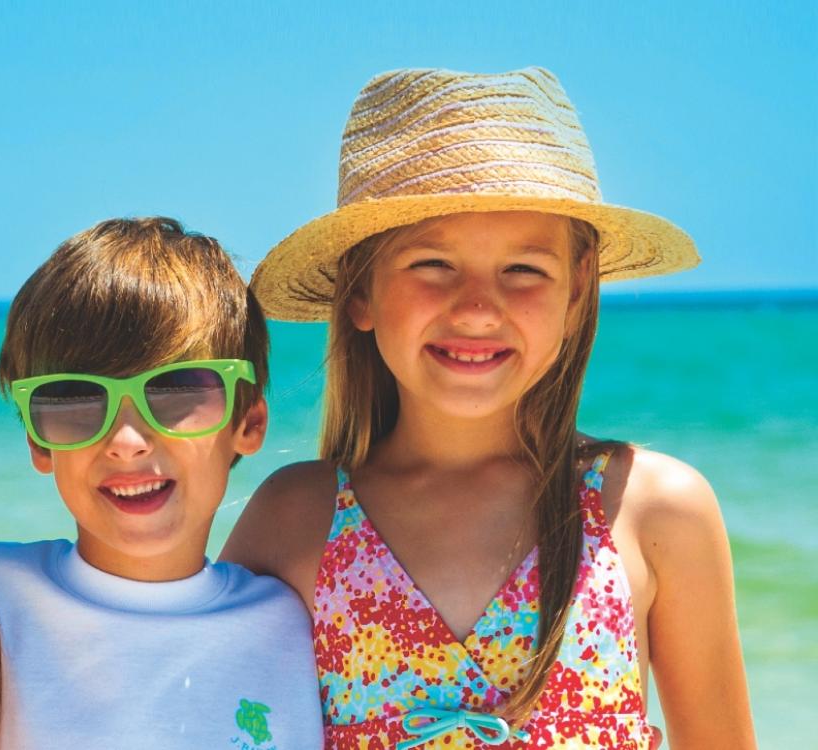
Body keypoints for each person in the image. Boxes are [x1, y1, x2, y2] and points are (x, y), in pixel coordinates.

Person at [224, 68, 755, 749]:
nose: (477, 307)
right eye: (432, 265)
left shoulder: (652, 508)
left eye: (524, 270)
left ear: (576, 289)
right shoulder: (296, 519)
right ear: (359, 290)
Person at [0, 217, 322, 748]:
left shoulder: (300, 628)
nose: (127, 439)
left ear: (249, 422)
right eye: (74, 399)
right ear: (38, 440)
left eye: (177, 392)